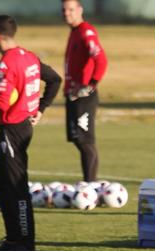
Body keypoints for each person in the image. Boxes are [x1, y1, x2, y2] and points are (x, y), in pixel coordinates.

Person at [0, 15, 61, 251]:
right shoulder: (29, 57)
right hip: (23, 125)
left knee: (15, 184)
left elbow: (2, 102)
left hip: (13, 129)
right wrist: (41, 108)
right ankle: (15, 238)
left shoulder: (7, 63)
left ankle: (23, 242)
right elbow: (55, 80)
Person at [61, 0, 108, 181]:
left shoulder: (85, 32)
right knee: (78, 140)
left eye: (71, 10)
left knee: (85, 141)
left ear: (80, 10)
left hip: (83, 97)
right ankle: (89, 182)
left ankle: (91, 185)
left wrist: (91, 85)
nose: (67, 13)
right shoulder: (74, 32)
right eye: (64, 10)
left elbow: (101, 59)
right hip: (72, 95)